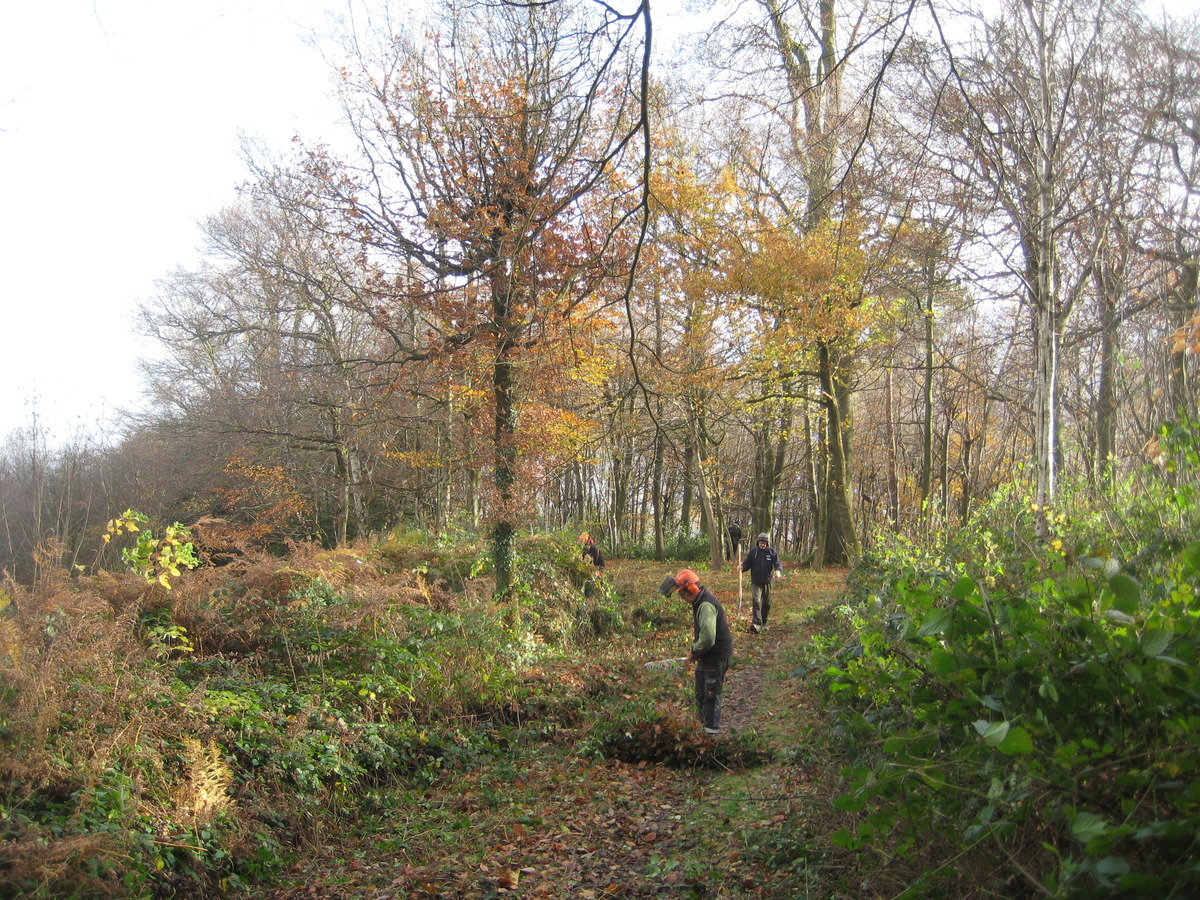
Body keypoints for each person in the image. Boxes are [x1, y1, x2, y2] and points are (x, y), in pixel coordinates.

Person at [657, 569, 733, 736]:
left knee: (711, 695)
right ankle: (701, 731)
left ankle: (711, 735)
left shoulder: (705, 605)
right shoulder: (699, 601)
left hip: (716, 656)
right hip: (707, 656)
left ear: (691, 589)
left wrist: (695, 651)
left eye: (683, 595)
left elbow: (707, 638)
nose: (683, 599)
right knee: (700, 694)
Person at [741, 532, 782, 633]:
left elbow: (778, 564)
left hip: (768, 582)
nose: (762, 544)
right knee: (756, 601)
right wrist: (742, 567)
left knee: (767, 603)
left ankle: (763, 622)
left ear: (767, 543)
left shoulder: (772, 552)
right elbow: (747, 564)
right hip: (756, 582)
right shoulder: (753, 552)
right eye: (760, 543)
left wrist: (778, 571)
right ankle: (757, 623)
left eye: (764, 543)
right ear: (757, 543)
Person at [580, 533, 605, 597]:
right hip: (584, 576)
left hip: (595, 577)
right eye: (584, 545)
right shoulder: (581, 552)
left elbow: (602, 565)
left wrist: (598, 573)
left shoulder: (597, 552)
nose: (586, 547)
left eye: (587, 545)